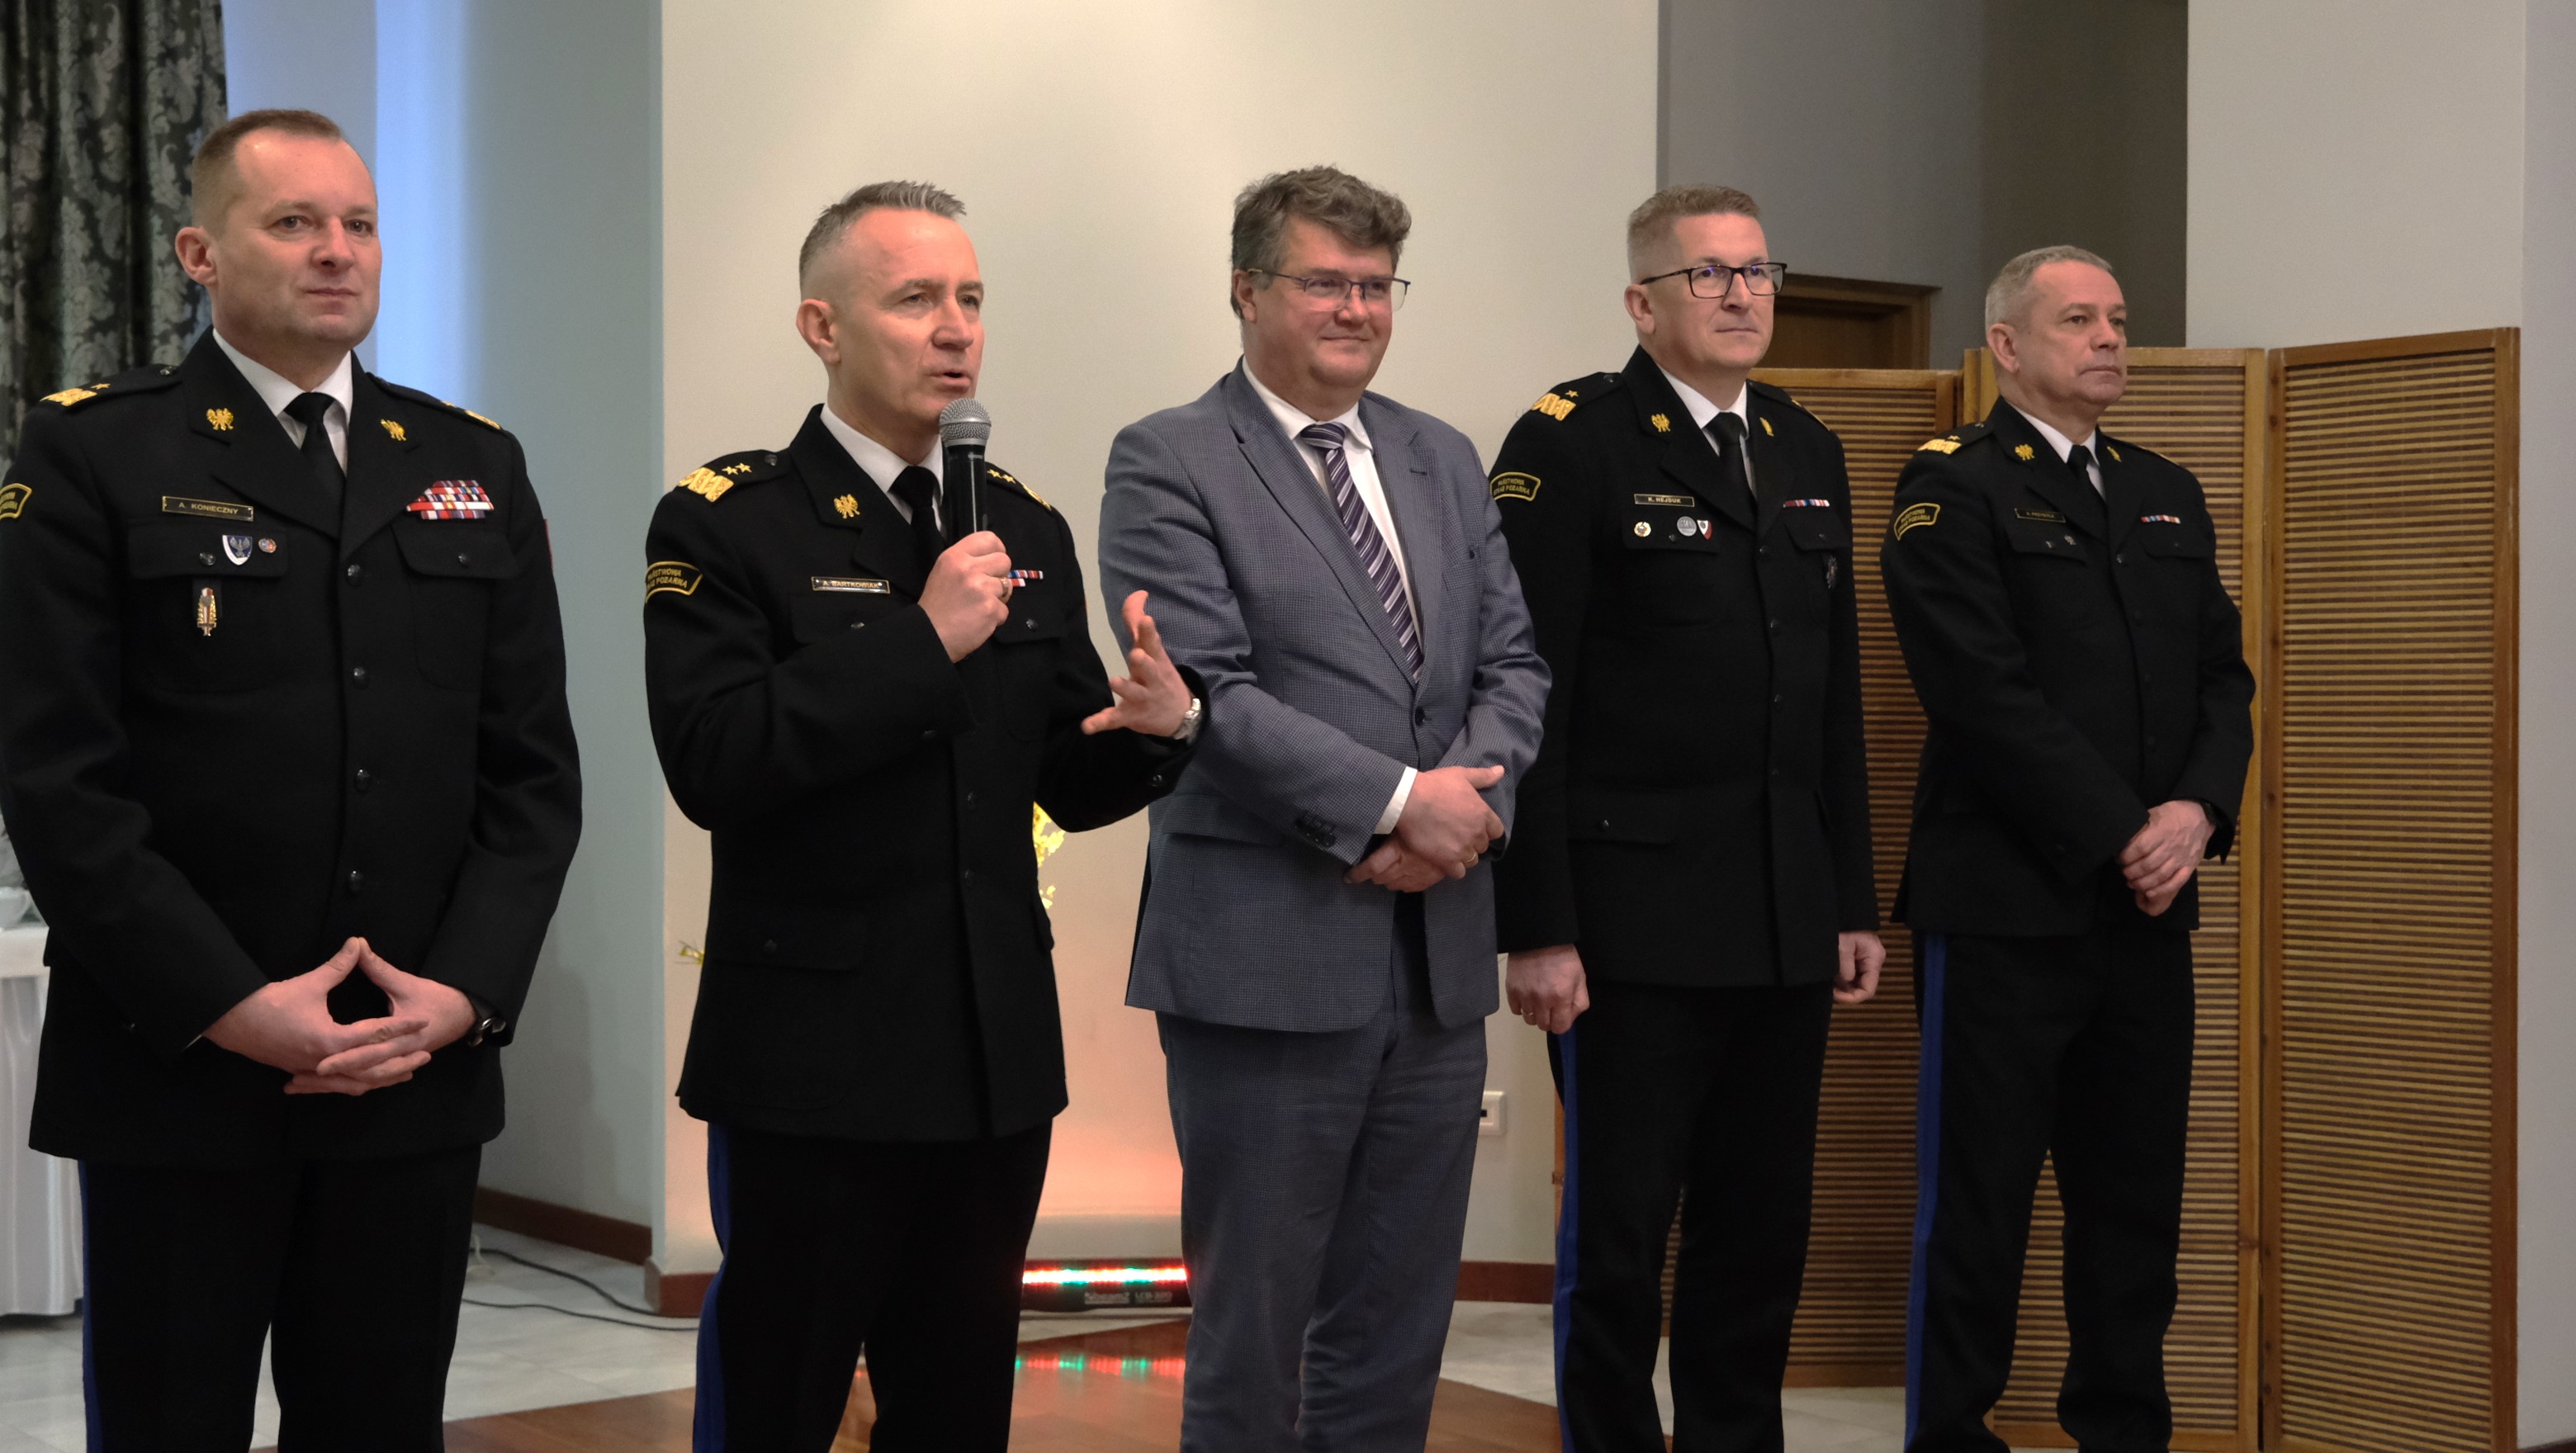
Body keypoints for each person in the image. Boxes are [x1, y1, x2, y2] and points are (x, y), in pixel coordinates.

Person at [0, 108, 583, 1451]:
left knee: (382, 1424)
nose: (337, 250)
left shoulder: (469, 462)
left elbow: (533, 775)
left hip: (406, 1063)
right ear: (200, 253)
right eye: (295, 222)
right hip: (180, 1070)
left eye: (359, 223)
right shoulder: (97, 452)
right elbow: (58, 778)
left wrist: (461, 995)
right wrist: (231, 1006)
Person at [642, 180, 1199, 1453]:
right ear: (822, 327)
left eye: (971, 299)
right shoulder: (729, 520)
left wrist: (1161, 732)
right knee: (780, 1399)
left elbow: (1063, 777)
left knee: (956, 1409)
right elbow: (715, 760)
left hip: (990, 1057)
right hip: (814, 1062)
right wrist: (920, 641)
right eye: (914, 300)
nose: (956, 329)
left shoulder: (1021, 524)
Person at [1096, 165, 1550, 1453]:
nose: (1358, 309)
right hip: (1265, 957)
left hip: (1435, 961)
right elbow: (1206, 695)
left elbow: (1515, 667)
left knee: (1397, 1327)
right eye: (1326, 283)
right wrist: (1406, 805)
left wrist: (1464, 814)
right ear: (1247, 291)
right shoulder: (1169, 458)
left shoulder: (1440, 456)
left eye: (1378, 285)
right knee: (1255, 1331)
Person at [1487, 183, 1884, 1451]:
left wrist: (1849, 898)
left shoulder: (1807, 447)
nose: (1741, 294)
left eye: (1758, 271)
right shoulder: (1572, 442)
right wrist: (1536, 923)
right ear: (1641, 302)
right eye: (1708, 273)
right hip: (1629, 925)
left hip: (1778, 913)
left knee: (1759, 1237)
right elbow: (1526, 696)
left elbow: (1832, 700)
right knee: (1619, 1243)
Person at [1881, 245, 2255, 1453]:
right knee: (1977, 1204)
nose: (2109, 340)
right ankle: (1952, 1436)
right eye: (2080, 320)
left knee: (2135, 1205)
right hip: (2004, 907)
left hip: (2147, 911)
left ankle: (2123, 1432)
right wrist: (2122, 830)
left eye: (2119, 321)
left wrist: (2196, 813)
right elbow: (1979, 692)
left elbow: (2224, 680)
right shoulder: (1952, 485)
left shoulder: (2165, 488)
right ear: (2006, 344)